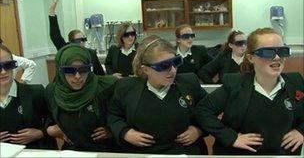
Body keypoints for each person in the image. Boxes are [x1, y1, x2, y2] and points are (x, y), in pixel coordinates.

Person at [195, 27, 304, 155]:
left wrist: (301, 131)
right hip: (241, 155)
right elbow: (203, 110)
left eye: (282, 51)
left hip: (283, 154)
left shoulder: (295, 81)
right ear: (251, 58)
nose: (277, 57)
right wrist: (231, 137)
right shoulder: (234, 84)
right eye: (268, 52)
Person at [107, 35, 208, 154]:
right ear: (146, 70)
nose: (173, 70)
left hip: (184, 152)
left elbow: (207, 111)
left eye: (175, 62)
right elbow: (113, 115)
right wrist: (125, 133)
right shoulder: (126, 87)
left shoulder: (189, 83)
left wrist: (198, 130)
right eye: (164, 66)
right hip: (142, 153)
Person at [45, 44, 118, 152]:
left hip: (104, 150)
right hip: (72, 151)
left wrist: (114, 130)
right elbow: (48, 120)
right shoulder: (52, 92)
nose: (78, 76)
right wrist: (52, 130)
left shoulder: (106, 88)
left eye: (84, 69)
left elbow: (125, 118)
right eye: (70, 70)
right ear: (60, 71)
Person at [0, 44, 56, 149]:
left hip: (35, 151)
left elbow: (55, 123)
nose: (3, 72)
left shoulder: (35, 93)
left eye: (8, 65)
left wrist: (41, 133)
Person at [49, 0, 105, 76]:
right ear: (71, 42)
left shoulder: (90, 53)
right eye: (79, 40)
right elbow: (55, 35)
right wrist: (52, 11)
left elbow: (100, 74)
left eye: (84, 39)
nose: (82, 42)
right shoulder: (66, 50)